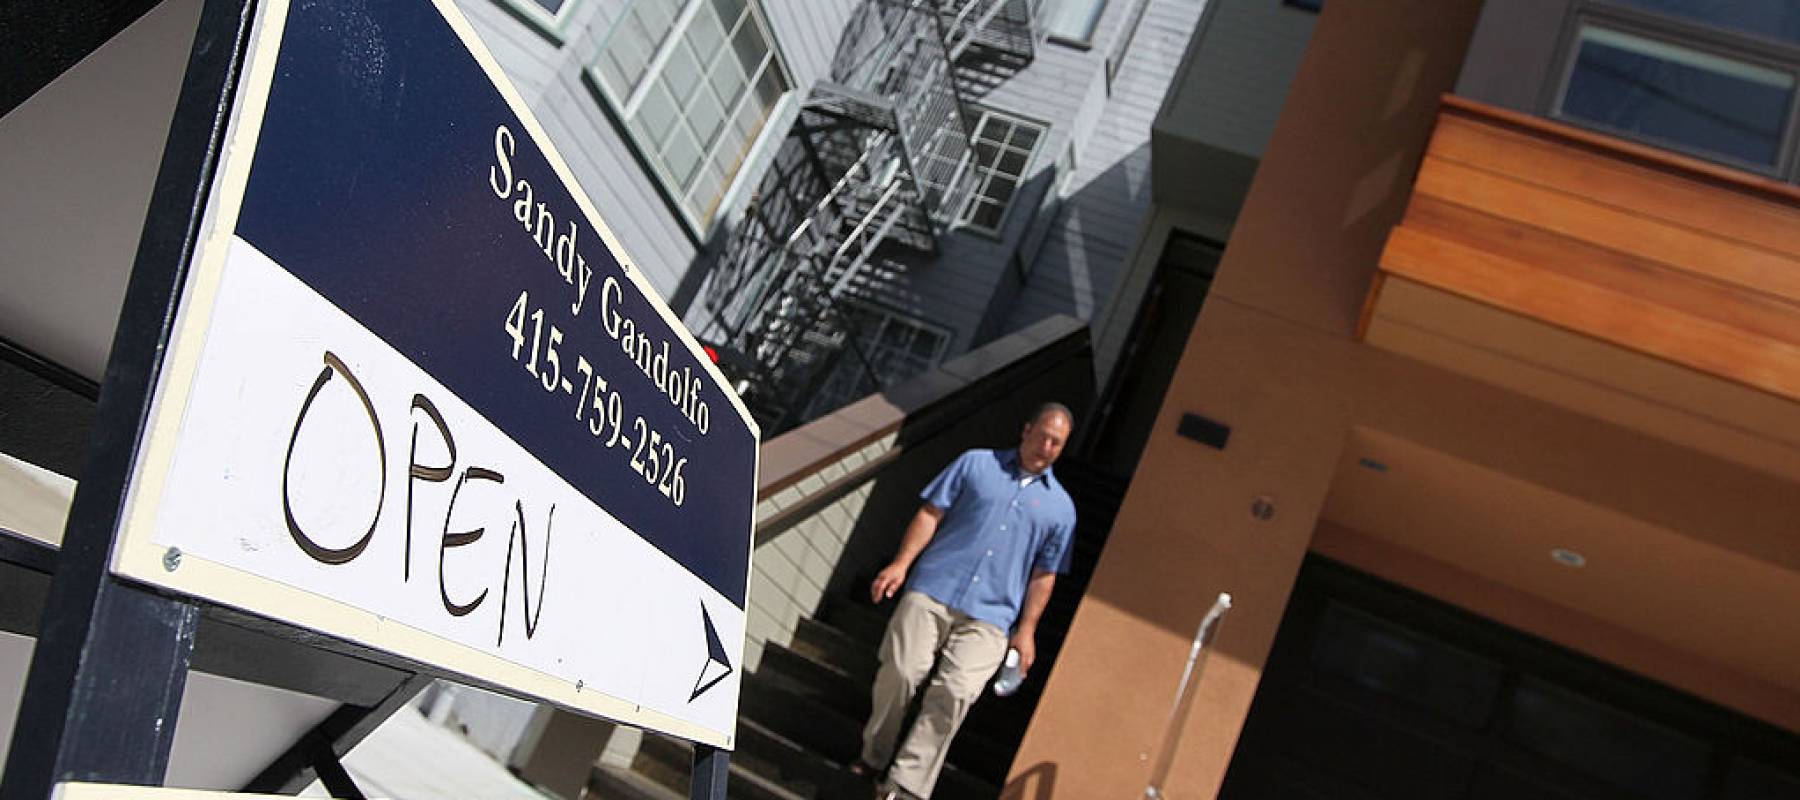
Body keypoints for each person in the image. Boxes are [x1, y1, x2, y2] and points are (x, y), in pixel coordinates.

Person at [854, 403, 1078, 800]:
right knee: (901, 671)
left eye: (1056, 443)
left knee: (955, 692)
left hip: (993, 614)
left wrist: (1026, 631)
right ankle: (875, 754)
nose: (1045, 446)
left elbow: (1045, 575)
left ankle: (903, 786)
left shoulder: (1062, 510)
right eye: (1042, 435)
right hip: (934, 588)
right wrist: (901, 564)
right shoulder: (976, 464)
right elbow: (930, 513)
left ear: (1062, 449)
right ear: (1026, 430)